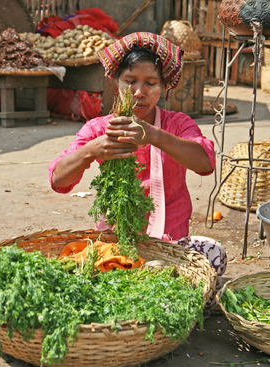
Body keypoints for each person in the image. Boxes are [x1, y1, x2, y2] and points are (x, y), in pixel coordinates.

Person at [48, 32, 226, 305]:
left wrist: (155, 135)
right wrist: (91, 150)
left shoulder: (176, 125)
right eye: (130, 82)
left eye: (150, 83)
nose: (139, 92)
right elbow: (59, 180)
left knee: (214, 253)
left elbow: (205, 163)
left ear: (163, 86)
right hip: (118, 248)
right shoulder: (99, 129)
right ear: (116, 82)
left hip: (170, 248)